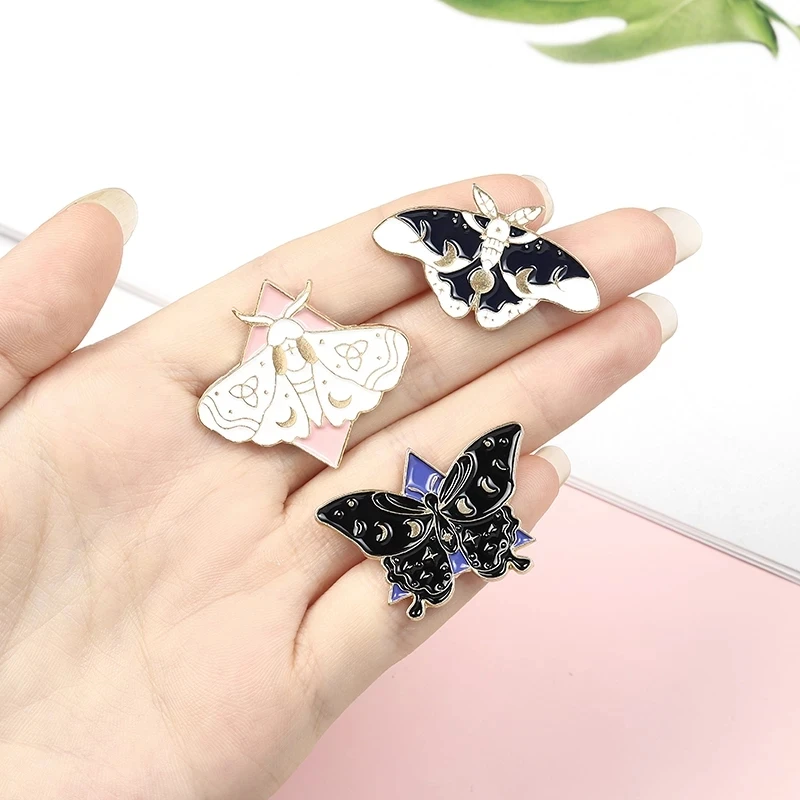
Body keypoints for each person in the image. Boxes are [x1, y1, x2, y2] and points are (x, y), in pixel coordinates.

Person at [0, 174, 701, 798]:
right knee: (452, 522)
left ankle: (468, 557)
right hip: (346, 396)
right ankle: (486, 550)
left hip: (365, 443)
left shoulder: (376, 492)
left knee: (428, 531)